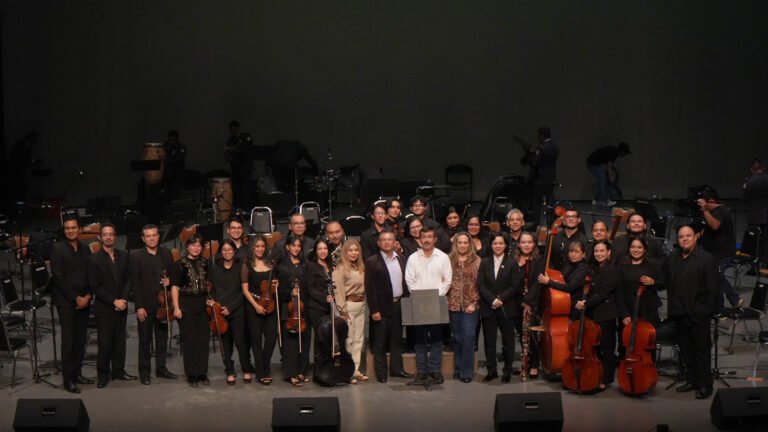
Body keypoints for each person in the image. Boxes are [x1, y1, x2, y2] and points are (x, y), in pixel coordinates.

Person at [666, 226, 719, 399]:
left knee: (701, 352)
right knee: (686, 351)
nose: (685, 239)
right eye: (681, 236)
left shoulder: (707, 259)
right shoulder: (673, 257)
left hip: (698, 315)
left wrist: (705, 312)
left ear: (695, 237)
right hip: (679, 314)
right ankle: (692, 380)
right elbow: (666, 280)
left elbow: (713, 290)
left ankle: (705, 385)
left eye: (688, 236)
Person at [87, 223, 136, 388]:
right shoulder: (94, 259)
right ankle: (103, 375)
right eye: (105, 234)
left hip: (121, 305)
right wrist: (114, 301)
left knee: (119, 342)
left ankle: (119, 371)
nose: (108, 237)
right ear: (100, 238)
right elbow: (95, 286)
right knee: (105, 342)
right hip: (104, 307)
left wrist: (123, 299)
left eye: (111, 234)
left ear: (115, 237)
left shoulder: (124, 255)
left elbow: (129, 279)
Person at [130, 224, 178, 385]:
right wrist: (139, 307)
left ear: (159, 236)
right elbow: (135, 284)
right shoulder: (136, 255)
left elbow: (173, 276)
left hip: (163, 304)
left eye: (154, 235)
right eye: (148, 236)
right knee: (144, 340)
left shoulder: (167, 253)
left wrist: (169, 280)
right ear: (143, 239)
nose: (151, 238)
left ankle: (161, 368)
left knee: (162, 338)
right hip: (145, 304)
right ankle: (144, 372)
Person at [405, 227, 452, 385]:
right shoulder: (413, 258)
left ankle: (435, 371)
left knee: (437, 340)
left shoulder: (443, 257)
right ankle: (421, 371)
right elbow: (409, 280)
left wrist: (435, 297)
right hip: (418, 303)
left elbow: (447, 280)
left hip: (437, 302)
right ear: (419, 239)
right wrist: (421, 298)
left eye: (429, 237)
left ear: (435, 239)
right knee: (419, 340)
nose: (426, 240)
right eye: (423, 237)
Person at [50, 215, 93, 393]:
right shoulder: (57, 249)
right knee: (68, 341)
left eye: (73, 227)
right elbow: (58, 278)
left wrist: (89, 295)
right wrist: (76, 298)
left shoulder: (85, 248)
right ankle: (68, 379)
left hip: (85, 300)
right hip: (67, 302)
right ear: (64, 230)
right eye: (67, 228)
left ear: (79, 228)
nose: (70, 231)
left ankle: (77, 373)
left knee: (80, 340)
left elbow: (91, 273)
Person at [365, 230, 413, 383]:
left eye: (389, 239)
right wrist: (374, 310)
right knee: (380, 343)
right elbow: (369, 288)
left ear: (395, 242)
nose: (386, 242)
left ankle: (397, 370)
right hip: (381, 308)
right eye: (383, 240)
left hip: (399, 305)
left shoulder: (402, 259)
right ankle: (381, 374)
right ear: (378, 243)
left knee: (396, 341)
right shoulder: (372, 261)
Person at [575, 240, 619, 390]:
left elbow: (602, 294)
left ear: (609, 252)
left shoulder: (612, 270)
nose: (599, 254)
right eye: (596, 251)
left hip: (606, 314)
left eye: (602, 251)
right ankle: (595, 373)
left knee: (607, 348)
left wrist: (585, 304)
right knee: (595, 349)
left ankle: (606, 379)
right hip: (594, 313)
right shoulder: (593, 268)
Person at [210, 239, 254, 385]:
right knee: (225, 343)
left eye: (230, 250)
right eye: (224, 250)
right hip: (220, 310)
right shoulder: (214, 268)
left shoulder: (241, 267)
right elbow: (212, 290)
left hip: (237, 310)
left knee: (240, 342)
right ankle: (229, 370)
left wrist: (230, 307)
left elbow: (244, 291)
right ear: (220, 252)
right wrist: (216, 304)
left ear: (235, 251)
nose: (227, 252)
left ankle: (246, 369)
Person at [478, 233, 518, 383]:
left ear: (506, 245)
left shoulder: (512, 263)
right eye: (495, 243)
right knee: (489, 342)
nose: (498, 246)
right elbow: (480, 284)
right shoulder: (484, 262)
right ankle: (491, 371)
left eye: (501, 243)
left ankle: (507, 371)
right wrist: (492, 299)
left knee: (508, 342)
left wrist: (500, 299)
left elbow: (515, 286)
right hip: (489, 307)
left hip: (506, 307)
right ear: (491, 245)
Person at [171, 234, 210, 387]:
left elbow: (208, 283)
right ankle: (192, 374)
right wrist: (176, 307)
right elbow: (175, 287)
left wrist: (209, 298)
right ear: (187, 246)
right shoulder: (179, 264)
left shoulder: (205, 263)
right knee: (190, 341)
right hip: (186, 304)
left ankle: (202, 373)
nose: (196, 248)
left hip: (202, 303)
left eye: (199, 245)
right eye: (193, 245)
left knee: (203, 340)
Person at [242, 235, 279, 385]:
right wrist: (256, 306)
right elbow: (245, 290)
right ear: (252, 247)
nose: (260, 249)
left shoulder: (271, 264)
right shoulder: (247, 265)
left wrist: (276, 284)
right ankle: (261, 372)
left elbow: (275, 284)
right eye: (257, 246)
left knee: (271, 338)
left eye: (262, 246)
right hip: (253, 306)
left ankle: (264, 365)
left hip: (270, 305)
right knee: (256, 340)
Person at [697, 190, 742, 311]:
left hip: (723, 254)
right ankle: (720, 308)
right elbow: (708, 229)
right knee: (715, 277)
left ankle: (732, 301)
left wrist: (705, 210)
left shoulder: (720, 211)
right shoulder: (714, 212)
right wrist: (696, 236)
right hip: (713, 253)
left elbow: (715, 225)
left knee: (716, 276)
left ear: (710, 201)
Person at [277, 234, 311, 386]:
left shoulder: (306, 264)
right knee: (290, 343)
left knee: (305, 341)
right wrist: (290, 293)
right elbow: (280, 291)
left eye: (299, 246)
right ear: (287, 247)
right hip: (290, 309)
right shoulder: (282, 266)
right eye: (293, 245)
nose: (296, 248)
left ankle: (301, 371)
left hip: (304, 308)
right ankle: (291, 373)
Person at [332, 239, 368, 383]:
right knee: (349, 340)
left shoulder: (361, 267)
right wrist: (343, 310)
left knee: (359, 340)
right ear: (345, 252)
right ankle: (347, 372)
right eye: (350, 250)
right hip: (348, 306)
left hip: (361, 305)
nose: (354, 253)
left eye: (356, 250)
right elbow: (338, 291)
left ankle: (356, 370)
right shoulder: (340, 269)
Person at [447, 232, 480, 383]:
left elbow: (481, 284)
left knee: (468, 336)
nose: (462, 245)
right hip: (453, 305)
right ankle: (458, 368)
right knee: (457, 337)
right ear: (456, 244)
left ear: (470, 244)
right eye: (460, 242)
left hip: (471, 306)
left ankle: (466, 372)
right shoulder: (448, 260)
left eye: (465, 242)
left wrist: (474, 302)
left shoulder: (476, 261)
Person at [514, 232, 544, 379]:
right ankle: (525, 362)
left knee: (531, 334)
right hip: (516, 301)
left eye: (529, 242)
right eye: (523, 242)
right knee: (522, 334)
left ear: (534, 244)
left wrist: (527, 302)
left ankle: (534, 365)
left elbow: (538, 283)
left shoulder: (539, 260)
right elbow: (512, 282)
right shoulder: (513, 260)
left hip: (532, 303)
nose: (526, 245)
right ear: (519, 244)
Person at [615, 238, 663, 329]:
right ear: (629, 249)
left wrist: (653, 282)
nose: (636, 250)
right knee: (627, 341)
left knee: (648, 340)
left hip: (648, 310)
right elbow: (619, 292)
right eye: (633, 247)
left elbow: (664, 283)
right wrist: (624, 313)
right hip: (628, 311)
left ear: (644, 249)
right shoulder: (621, 267)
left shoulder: (653, 265)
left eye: (639, 247)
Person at [538, 240, 592, 319]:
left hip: (575, 307)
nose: (573, 254)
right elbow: (562, 281)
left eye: (577, 252)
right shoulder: (568, 265)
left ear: (583, 254)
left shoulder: (583, 269)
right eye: (571, 251)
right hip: (565, 303)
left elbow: (570, 287)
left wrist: (548, 282)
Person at [304, 238, 334, 352]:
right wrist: (324, 297)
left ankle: (327, 366)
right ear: (315, 251)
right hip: (316, 308)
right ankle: (319, 368)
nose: (323, 251)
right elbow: (310, 288)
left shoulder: (330, 264)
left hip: (329, 306)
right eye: (320, 249)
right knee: (320, 338)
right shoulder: (312, 266)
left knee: (328, 337)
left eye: (325, 248)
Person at [586, 142, 631, 207]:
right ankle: (605, 201)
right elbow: (609, 165)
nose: (625, 155)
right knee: (603, 180)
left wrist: (610, 174)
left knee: (600, 181)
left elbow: (608, 164)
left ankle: (595, 200)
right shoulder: (614, 152)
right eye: (625, 153)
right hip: (592, 164)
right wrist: (611, 176)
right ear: (621, 151)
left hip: (594, 164)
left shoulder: (613, 151)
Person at [742, 158, 768, 262]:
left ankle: (754, 267)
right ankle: (766, 265)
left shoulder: (750, 182)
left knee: (754, 242)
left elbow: (744, 199)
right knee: (766, 241)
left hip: (754, 217)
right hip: (766, 216)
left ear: (751, 169)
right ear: (763, 168)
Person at [224, 120, 254, 209]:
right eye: (231, 129)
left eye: (234, 129)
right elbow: (228, 155)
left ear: (238, 128)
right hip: (235, 168)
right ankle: (239, 208)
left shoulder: (245, 136)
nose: (232, 131)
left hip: (245, 167)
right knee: (237, 189)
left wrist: (231, 149)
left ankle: (246, 208)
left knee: (245, 188)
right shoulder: (230, 139)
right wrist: (227, 152)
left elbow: (244, 149)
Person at [163, 129, 186, 203]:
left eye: (172, 139)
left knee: (175, 196)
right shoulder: (165, 146)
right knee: (166, 196)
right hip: (167, 175)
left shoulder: (181, 147)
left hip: (177, 175)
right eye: (169, 139)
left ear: (176, 139)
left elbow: (177, 159)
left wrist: (167, 159)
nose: (171, 141)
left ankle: (174, 212)